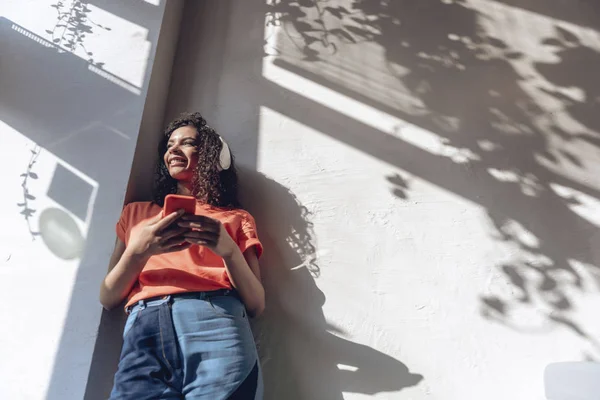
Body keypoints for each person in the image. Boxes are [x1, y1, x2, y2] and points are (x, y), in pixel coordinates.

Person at [100, 112, 265, 399]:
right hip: (143, 324)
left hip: (216, 323)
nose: (173, 150)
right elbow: (108, 297)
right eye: (169, 145)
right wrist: (139, 252)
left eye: (187, 143)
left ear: (213, 156)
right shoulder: (136, 213)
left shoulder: (235, 218)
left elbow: (256, 303)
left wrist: (227, 250)